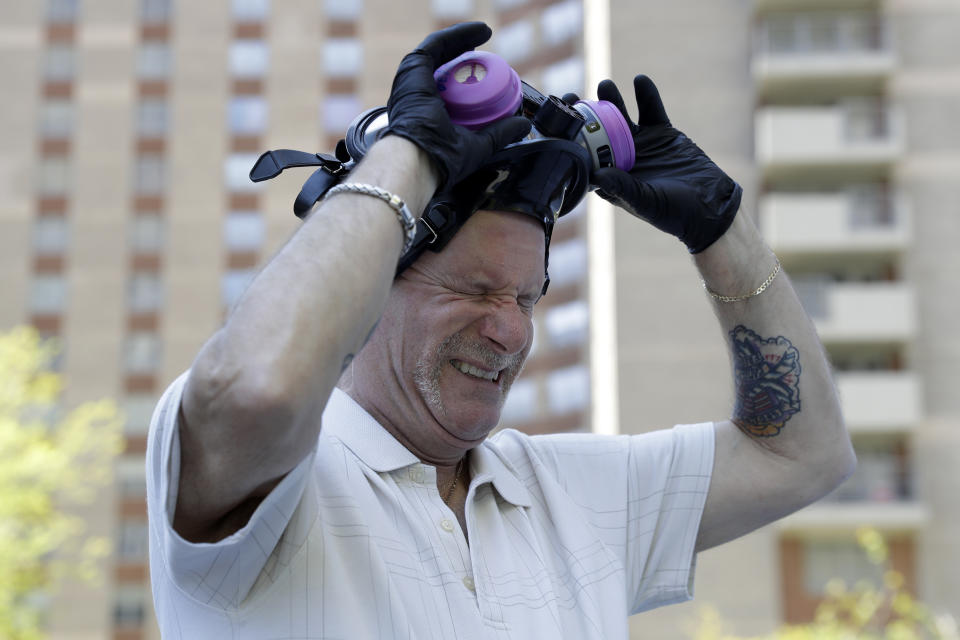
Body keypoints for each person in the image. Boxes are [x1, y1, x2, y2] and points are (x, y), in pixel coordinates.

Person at [146, 22, 855, 639]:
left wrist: (721, 229)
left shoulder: (574, 497)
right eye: (476, 290)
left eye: (528, 297)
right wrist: (407, 157)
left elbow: (804, 455)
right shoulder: (276, 477)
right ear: (372, 283)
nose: (511, 331)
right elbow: (258, 389)